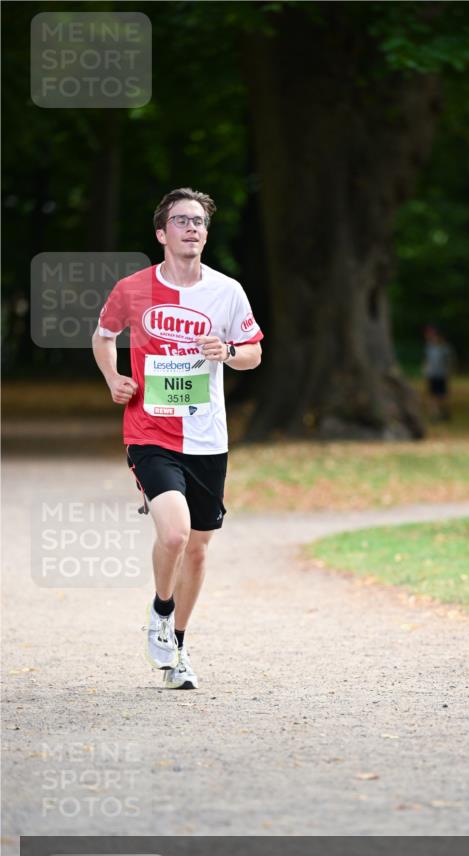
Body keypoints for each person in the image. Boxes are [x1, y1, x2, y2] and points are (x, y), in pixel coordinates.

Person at [92, 187, 263, 690]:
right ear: (162, 233)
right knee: (173, 533)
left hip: (208, 437)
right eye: (182, 221)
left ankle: (177, 649)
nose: (192, 229)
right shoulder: (133, 289)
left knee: (199, 550)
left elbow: (253, 352)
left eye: (199, 222)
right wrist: (113, 377)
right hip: (150, 430)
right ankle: (160, 611)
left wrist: (227, 349)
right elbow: (103, 335)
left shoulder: (227, 291)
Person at [422, 323, 453, 420]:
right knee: (432, 395)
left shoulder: (444, 348)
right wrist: (425, 370)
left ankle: (442, 413)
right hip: (432, 375)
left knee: (442, 396)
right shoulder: (429, 347)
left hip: (442, 375)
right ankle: (434, 415)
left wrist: (449, 371)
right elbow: (426, 360)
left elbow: (449, 361)